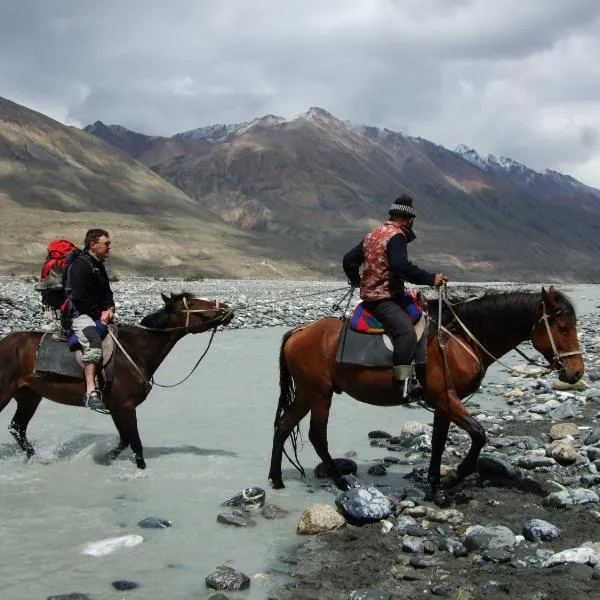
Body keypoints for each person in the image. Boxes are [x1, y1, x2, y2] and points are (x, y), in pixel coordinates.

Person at [342, 194, 447, 399]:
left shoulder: (372, 235)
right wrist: (430, 278)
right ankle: (404, 383)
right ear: (409, 219)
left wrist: (356, 280)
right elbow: (401, 266)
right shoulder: (396, 236)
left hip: (382, 295)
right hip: (383, 299)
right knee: (406, 332)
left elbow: (349, 260)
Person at [63, 229, 115, 410]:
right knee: (93, 342)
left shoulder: (97, 265)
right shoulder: (80, 265)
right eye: (106, 243)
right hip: (79, 315)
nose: (109, 247)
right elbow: (79, 297)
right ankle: (91, 391)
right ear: (93, 244)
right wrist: (98, 314)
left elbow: (106, 292)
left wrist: (110, 309)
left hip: (96, 313)